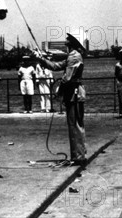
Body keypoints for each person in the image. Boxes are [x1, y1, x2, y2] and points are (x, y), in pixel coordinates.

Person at [36, 33, 87, 165]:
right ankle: (78, 154)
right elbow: (56, 66)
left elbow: (67, 78)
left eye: (67, 43)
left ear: (72, 44)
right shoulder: (73, 56)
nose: (66, 45)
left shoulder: (74, 56)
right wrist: (41, 59)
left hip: (74, 94)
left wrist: (58, 92)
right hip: (74, 93)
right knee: (75, 124)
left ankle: (78, 156)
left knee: (75, 124)